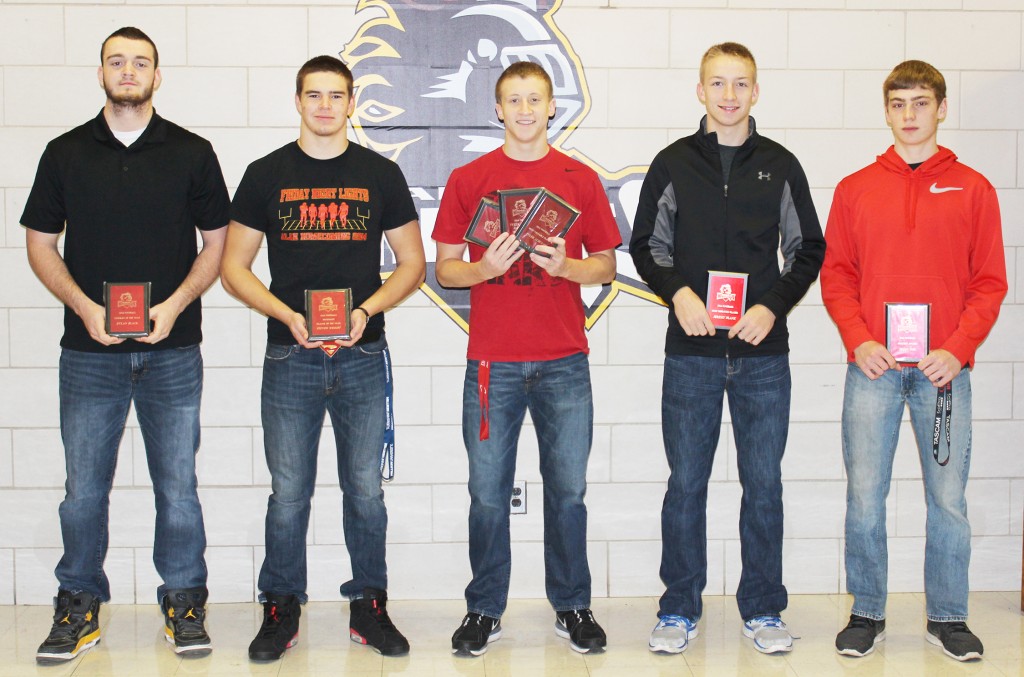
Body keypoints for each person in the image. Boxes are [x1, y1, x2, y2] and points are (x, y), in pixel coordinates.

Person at [21, 26, 230, 663]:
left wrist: (172, 307)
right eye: (118, 61)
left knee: (179, 486)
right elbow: (38, 243)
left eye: (141, 62)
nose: (129, 71)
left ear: (157, 76)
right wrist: (85, 309)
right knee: (83, 489)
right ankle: (79, 603)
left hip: (173, 349)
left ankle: (185, 600)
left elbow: (217, 245)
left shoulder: (193, 152)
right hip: (88, 355)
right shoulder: (63, 153)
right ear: (102, 73)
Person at [220, 55, 425, 661]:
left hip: (362, 356)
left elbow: (412, 264)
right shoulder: (265, 174)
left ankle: (370, 605)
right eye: (315, 95)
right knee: (289, 493)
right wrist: (286, 315)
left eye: (337, 95)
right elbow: (233, 268)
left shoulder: (379, 175)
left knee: (365, 490)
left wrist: (365, 312)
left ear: (352, 102)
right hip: (290, 359)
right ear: (298, 101)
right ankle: (282, 606)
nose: (325, 106)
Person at [629, 42, 825, 656]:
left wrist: (771, 306)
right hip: (691, 355)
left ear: (756, 92)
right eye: (718, 83)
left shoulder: (781, 164)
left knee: (762, 485)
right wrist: (678, 293)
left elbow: (808, 250)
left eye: (741, 84)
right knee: (686, 484)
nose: (729, 95)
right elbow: (645, 246)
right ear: (700, 91)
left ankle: (764, 608)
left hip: (763, 356)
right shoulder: (672, 163)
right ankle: (679, 608)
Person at [432, 61, 620, 657]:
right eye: (513, 100)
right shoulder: (470, 177)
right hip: (493, 364)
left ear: (550, 107)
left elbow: (607, 267)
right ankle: (484, 608)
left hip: (565, 360)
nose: (524, 110)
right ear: (497, 109)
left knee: (568, 492)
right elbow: (444, 268)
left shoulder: (578, 178)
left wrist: (567, 266)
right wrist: (483, 269)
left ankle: (572, 605)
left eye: (534, 99)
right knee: (487, 494)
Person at [821, 60, 1006, 662]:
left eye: (921, 103)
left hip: (942, 372)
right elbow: (837, 276)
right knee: (864, 496)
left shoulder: (974, 188)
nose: (909, 115)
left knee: (947, 501)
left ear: (941, 109)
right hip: (872, 370)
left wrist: (958, 348)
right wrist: (859, 339)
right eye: (898, 103)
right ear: (886, 111)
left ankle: (948, 616)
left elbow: (990, 283)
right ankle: (867, 612)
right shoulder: (854, 188)